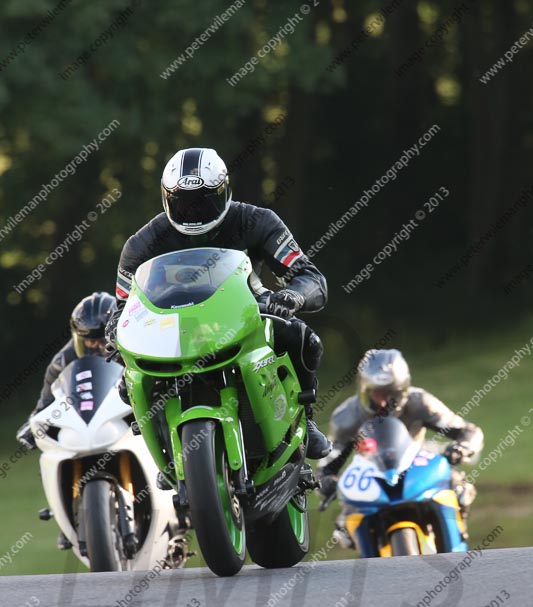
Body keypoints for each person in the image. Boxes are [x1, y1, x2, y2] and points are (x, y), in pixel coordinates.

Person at [106, 146, 331, 461]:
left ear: (224, 192)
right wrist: (114, 329)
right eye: (183, 204)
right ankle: (166, 449)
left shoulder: (257, 221)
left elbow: (310, 277)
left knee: (302, 338)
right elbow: (123, 306)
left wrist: (291, 296)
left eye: (203, 202)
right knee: (128, 381)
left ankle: (304, 419)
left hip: (247, 314)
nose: (194, 213)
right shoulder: (142, 244)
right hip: (170, 328)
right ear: (166, 198)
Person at [317, 349, 484, 548]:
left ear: (403, 390)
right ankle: (369, 555)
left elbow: (467, 431)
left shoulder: (421, 402)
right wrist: (326, 481)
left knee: (459, 487)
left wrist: (462, 448)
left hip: (417, 466)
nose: (383, 401)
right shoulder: (346, 416)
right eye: (376, 393)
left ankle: (457, 541)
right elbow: (328, 461)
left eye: (390, 393)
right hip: (371, 474)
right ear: (363, 390)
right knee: (344, 525)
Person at [16, 291, 116, 548]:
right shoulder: (61, 361)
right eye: (88, 341)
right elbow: (46, 401)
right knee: (50, 451)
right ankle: (65, 515)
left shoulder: (134, 345)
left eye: (100, 340)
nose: (94, 346)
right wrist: (33, 423)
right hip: (83, 421)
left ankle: (180, 484)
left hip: (122, 416)